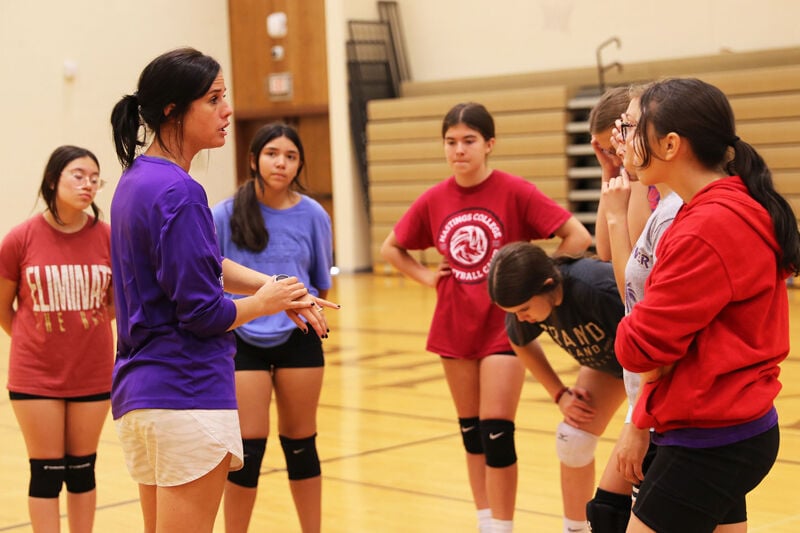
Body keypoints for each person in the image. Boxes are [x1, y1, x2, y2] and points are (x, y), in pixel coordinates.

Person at [109, 48, 335, 533]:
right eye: (214, 99)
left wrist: (274, 285)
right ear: (173, 109)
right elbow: (203, 314)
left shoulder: (137, 179)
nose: (228, 111)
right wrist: (265, 304)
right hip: (185, 393)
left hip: (142, 395)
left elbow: (204, 265)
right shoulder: (180, 192)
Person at [381, 101, 592, 533]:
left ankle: (503, 524)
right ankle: (487, 523)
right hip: (453, 326)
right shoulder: (434, 198)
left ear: (489, 144)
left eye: (469, 141)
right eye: (450, 142)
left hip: (504, 328)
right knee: (472, 432)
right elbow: (391, 248)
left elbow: (577, 235)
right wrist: (428, 277)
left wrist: (538, 281)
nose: (459, 150)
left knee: (497, 430)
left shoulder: (515, 191)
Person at [615, 77, 800, 533]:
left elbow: (641, 347)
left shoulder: (708, 226)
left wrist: (632, 327)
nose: (625, 141)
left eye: (634, 128)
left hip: (713, 437)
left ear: (670, 144)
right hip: (728, 424)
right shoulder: (719, 206)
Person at [211, 123, 333, 533]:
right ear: (253, 160)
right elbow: (212, 277)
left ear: (299, 164)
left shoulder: (313, 215)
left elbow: (320, 282)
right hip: (242, 338)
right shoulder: (224, 214)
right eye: (272, 154)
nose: (281, 163)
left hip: (299, 337)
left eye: (291, 156)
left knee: (302, 445)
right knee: (248, 448)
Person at [0, 145, 114, 533]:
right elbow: (4, 307)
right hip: (35, 375)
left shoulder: (108, 237)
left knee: (82, 469)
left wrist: (83, 330)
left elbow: (115, 303)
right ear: (53, 180)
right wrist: (35, 339)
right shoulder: (20, 238)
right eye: (78, 176)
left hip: (93, 372)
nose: (88, 185)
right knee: (46, 472)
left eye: (94, 179)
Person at [589, 85, 683, 532]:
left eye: (622, 136)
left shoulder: (668, 203)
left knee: (612, 512)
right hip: (648, 381)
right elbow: (610, 254)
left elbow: (637, 290)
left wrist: (639, 416)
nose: (617, 149)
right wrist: (611, 176)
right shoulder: (649, 191)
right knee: (607, 509)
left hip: (660, 386)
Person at [487, 242, 628, 533]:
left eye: (523, 310)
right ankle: (575, 529)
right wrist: (559, 393)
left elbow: (655, 342)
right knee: (573, 440)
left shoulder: (596, 289)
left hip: (657, 365)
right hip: (611, 365)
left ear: (548, 283)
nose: (520, 318)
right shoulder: (530, 302)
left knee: (649, 451)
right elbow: (519, 341)